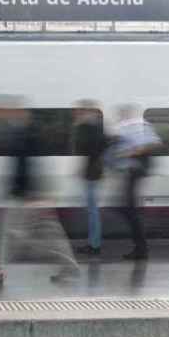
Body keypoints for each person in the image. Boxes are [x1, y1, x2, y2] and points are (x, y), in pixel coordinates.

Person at [0, 97, 79, 285]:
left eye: (1, 111)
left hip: (28, 196)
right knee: (38, 233)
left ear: (13, 112)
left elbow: (29, 166)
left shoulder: (25, 134)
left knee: (31, 235)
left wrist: (36, 194)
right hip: (26, 195)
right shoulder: (21, 132)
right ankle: (68, 267)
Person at [107, 105, 162, 261]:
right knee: (126, 207)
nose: (121, 117)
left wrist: (130, 152)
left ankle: (141, 249)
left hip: (135, 171)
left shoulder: (139, 126)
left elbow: (154, 143)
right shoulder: (126, 128)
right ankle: (140, 247)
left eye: (122, 114)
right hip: (131, 172)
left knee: (127, 208)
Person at [72, 100, 106, 256]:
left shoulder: (91, 128)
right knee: (93, 211)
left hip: (92, 175)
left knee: (93, 212)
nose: (76, 114)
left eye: (79, 111)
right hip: (93, 173)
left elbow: (85, 148)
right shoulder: (97, 128)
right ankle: (93, 243)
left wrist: (79, 126)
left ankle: (94, 245)